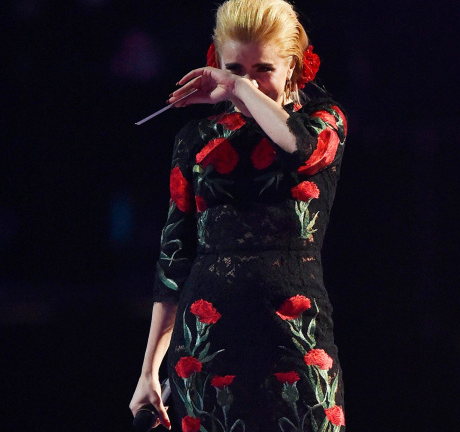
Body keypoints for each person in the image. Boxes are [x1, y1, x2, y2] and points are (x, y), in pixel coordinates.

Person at [129, 0, 347, 431]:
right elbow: (174, 258)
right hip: (207, 345)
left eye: (262, 69)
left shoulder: (323, 122)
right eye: (234, 69)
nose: (247, 83)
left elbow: (300, 149)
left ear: (292, 65)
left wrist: (236, 86)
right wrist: (148, 370)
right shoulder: (196, 137)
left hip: (292, 338)